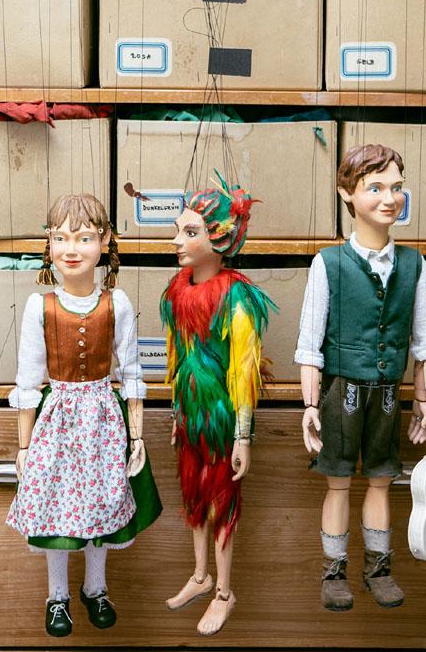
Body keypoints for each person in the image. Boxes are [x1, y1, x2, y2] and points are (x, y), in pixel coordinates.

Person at [6, 193, 161, 636]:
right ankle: (57, 596)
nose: (71, 249)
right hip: (56, 423)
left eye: (84, 238)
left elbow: (131, 376)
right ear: (49, 245)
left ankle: (96, 587)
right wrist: (23, 445)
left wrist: (137, 438)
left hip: (102, 421)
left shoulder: (119, 304)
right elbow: (28, 381)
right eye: (61, 238)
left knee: (100, 503)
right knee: (55, 508)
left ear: (104, 241)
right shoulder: (42, 306)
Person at [295, 144, 426, 611]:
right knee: (338, 481)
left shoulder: (416, 266)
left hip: (386, 398)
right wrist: (310, 406)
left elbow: (425, 345)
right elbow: (308, 344)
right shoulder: (329, 264)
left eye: (396, 187)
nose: (389, 198)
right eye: (375, 188)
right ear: (347, 195)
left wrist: (423, 402)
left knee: (381, 479)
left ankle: (379, 567)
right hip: (341, 395)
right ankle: (332, 571)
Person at [160, 171, 276, 636]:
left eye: (190, 232)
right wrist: (176, 414)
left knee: (221, 503)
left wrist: (242, 435)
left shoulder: (236, 297)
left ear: (221, 237)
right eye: (178, 230)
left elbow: (244, 370)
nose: (178, 241)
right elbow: (176, 358)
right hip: (191, 416)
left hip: (224, 419)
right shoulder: (176, 292)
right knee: (192, 497)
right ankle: (200, 575)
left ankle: (224, 592)